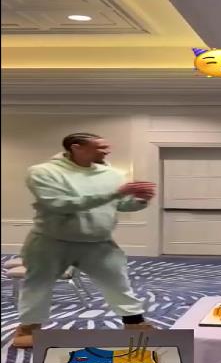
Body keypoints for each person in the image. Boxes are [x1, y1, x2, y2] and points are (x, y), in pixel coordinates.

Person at [13, 133, 157, 348]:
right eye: (100, 147)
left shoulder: (112, 174)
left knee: (118, 283)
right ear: (76, 147)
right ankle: (28, 329)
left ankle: (135, 325)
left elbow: (121, 204)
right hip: (51, 241)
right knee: (38, 285)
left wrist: (141, 200)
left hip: (98, 242)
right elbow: (60, 204)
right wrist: (114, 193)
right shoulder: (43, 172)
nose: (107, 151)